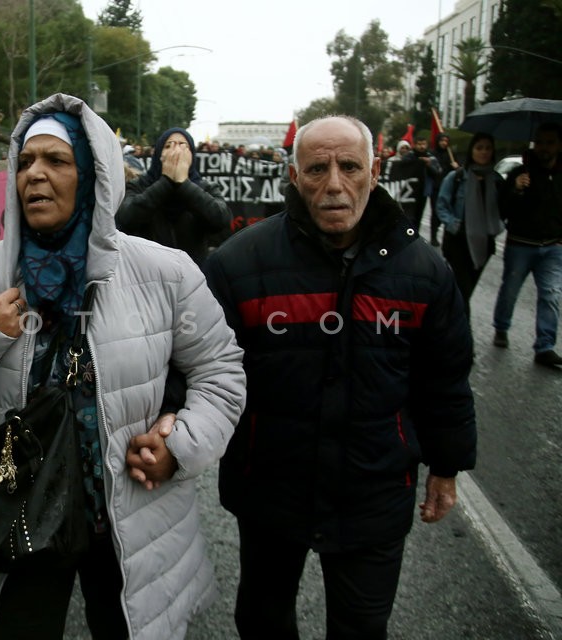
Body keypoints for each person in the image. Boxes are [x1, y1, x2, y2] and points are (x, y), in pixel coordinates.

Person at [0, 93, 246, 639]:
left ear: (93, 174)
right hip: (18, 511)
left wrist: (182, 444)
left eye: (57, 161)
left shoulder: (165, 272)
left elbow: (221, 372)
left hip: (128, 517)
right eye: (25, 163)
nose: (36, 175)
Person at [203, 115, 477, 639]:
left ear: (374, 173)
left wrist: (448, 465)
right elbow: (207, 369)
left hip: (374, 489)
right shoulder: (239, 263)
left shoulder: (425, 271)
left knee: (361, 627)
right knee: (262, 620)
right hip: (269, 487)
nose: (333, 184)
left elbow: (444, 379)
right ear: (294, 175)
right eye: (316, 169)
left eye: (349, 167)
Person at [492, 122, 562, 368]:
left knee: (551, 294)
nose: (544, 148)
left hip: (553, 247)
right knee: (510, 290)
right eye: (540, 142)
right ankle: (501, 327)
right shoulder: (520, 173)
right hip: (521, 245)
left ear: (558, 145)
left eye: (550, 142)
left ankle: (545, 346)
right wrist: (516, 190)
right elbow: (503, 210)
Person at [115, 127, 232, 266]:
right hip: (147, 270)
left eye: (183, 145)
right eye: (168, 146)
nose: (176, 151)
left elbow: (221, 220)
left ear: (191, 155)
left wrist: (184, 184)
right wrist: (166, 182)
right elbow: (126, 218)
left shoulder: (206, 188)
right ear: (159, 154)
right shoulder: (139, 185)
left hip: (193, 273)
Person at [437, 131, 504, 320]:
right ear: (472, 150)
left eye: (488, 148)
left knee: (465, 293)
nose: (483, 152)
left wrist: (497, 226)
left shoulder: (497, 181)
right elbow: (442, 204)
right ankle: (464, 342)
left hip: (484, 243)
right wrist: (452, 224)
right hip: (458, 242)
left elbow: (505, 209)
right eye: (479, 147)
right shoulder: (457, 177)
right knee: (462, 291)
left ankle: (448, 324)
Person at [430, 133, 460, 246]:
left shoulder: (451, 154)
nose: (444, 143)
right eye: (442, 140)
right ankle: (433, 235)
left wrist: (456, 166)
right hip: (436, 187)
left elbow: (458, 170)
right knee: (436, 213)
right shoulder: (433, 154)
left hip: (449, 188)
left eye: (446, 141)